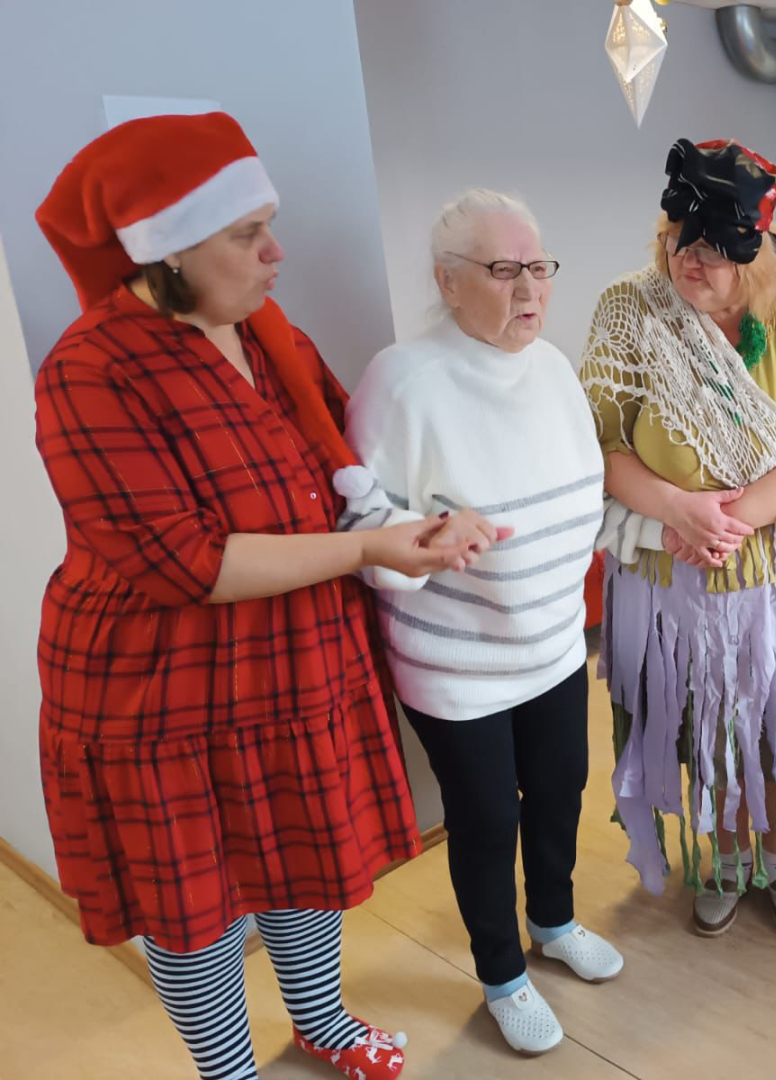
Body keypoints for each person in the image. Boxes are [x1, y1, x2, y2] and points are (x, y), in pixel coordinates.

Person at [31, 113, 494, 1079]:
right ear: (166, 251)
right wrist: (367, 547)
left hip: (293, 662)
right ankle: (230, 1073)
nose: (276, 252)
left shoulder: (269, 339)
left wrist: (423, 522)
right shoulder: (90, 370)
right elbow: (185, 565)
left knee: (301, 857)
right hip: (162, 694)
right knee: (195, 911)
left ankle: (321, 1023)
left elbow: (343, 472)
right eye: (247, 234)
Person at [337, 189, 622, 1057]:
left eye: (538, 267)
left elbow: (584, 493)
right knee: (489, 816)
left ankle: (554, 922)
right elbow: (358, 521)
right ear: (447, 282)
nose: (528, 288)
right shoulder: (402, 379)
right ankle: (502, 975)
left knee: (563, 786)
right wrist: (428, 538)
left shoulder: (554, 368)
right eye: (503, 270)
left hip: (552, 643)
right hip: (457, 662)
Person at [581, 138, 776, 939]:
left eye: (710, 248)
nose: (688, 261)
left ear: (757, 251)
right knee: (703, 725)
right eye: (677, 240)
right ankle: (727, 856)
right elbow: (602, 443)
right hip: (670, 572)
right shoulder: (628, 308)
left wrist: (723, 522)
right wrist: (678, 509)